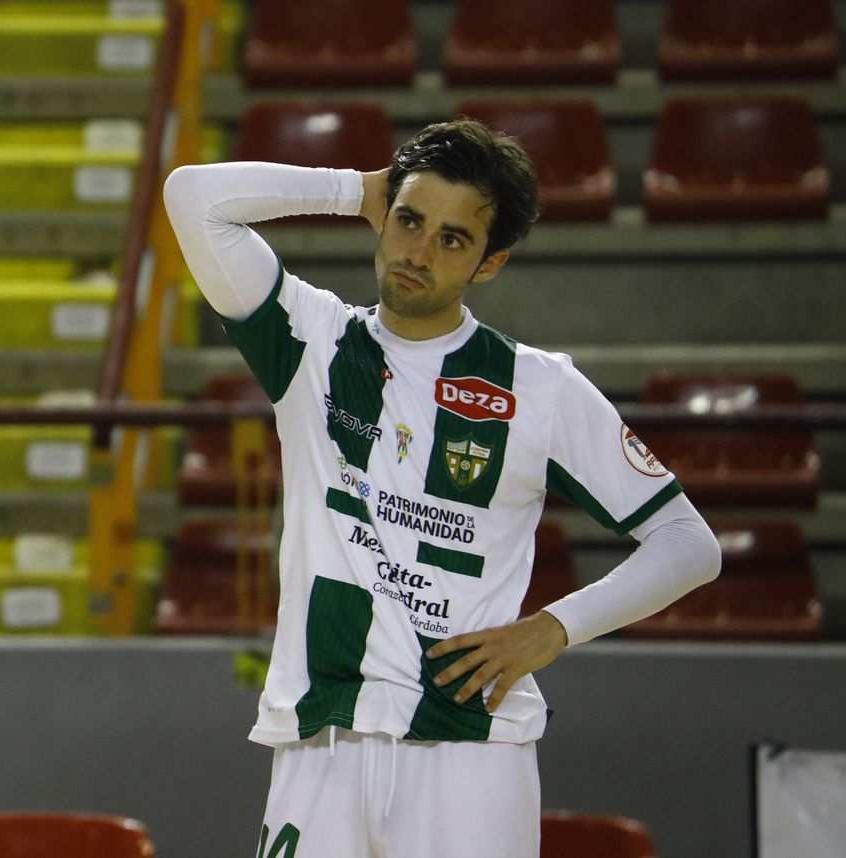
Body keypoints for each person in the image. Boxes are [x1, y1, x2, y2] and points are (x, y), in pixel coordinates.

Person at [163, 120, 722, 858]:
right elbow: (191, 196)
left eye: (452, 239)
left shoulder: (540, 387)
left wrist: (553, 628)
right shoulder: (311, 340)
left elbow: (689, 544)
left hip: (471, 752)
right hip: (321, 737)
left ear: (490, 265)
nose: (417, 252)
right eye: (408, 221)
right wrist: (356, 190)